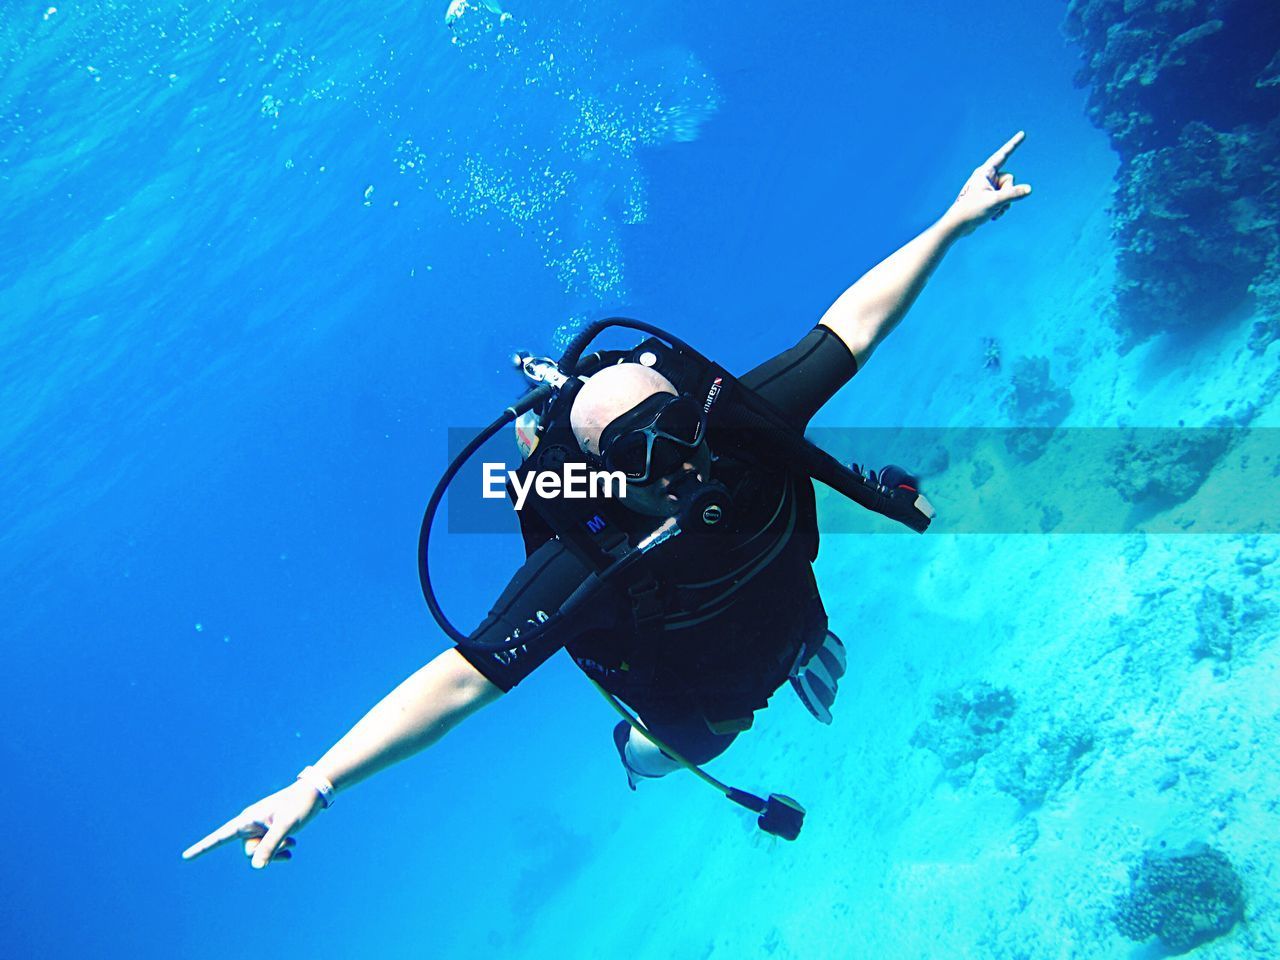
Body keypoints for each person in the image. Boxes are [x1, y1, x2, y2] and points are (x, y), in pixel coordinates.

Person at [183, 131, 1033, 868]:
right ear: (596, 471)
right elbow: (458, 679)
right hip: (719, 700)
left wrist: (954, 221)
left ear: (689, 404)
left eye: (668, 427)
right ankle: (661, 743)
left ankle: (786, 663)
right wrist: (317, 782)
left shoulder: (709, 450)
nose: (670, 462)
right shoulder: (591, 553)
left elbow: (855, 322)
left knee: (739, 680)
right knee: (655, 748)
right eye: (636, 451)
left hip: (766, 647)